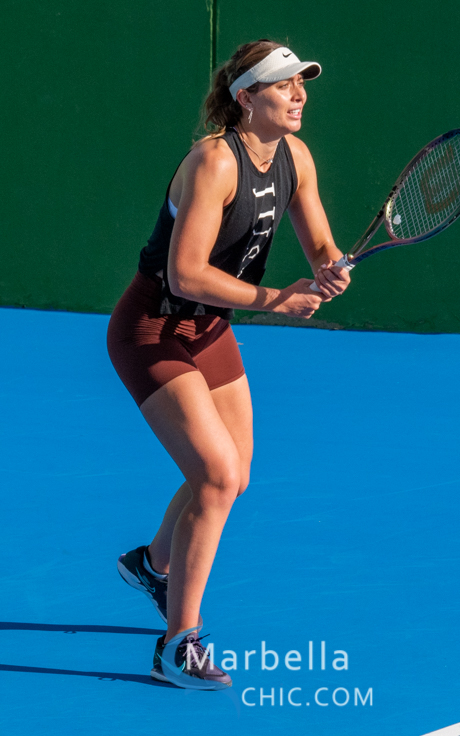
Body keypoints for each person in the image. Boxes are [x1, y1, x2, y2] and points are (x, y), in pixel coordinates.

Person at [107, 39, 351, 691]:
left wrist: (328, 266)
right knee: (214, 475)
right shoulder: (213, 163)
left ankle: (155, 564)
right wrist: (278, 300)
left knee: (231, 477)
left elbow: (319, 239)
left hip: (210, 330)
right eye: (283, 85)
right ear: (247, 98)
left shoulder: (295, 157)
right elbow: (186, 273)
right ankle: (177, 643)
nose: (299, 95)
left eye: (302, 84)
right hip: (153, 328)